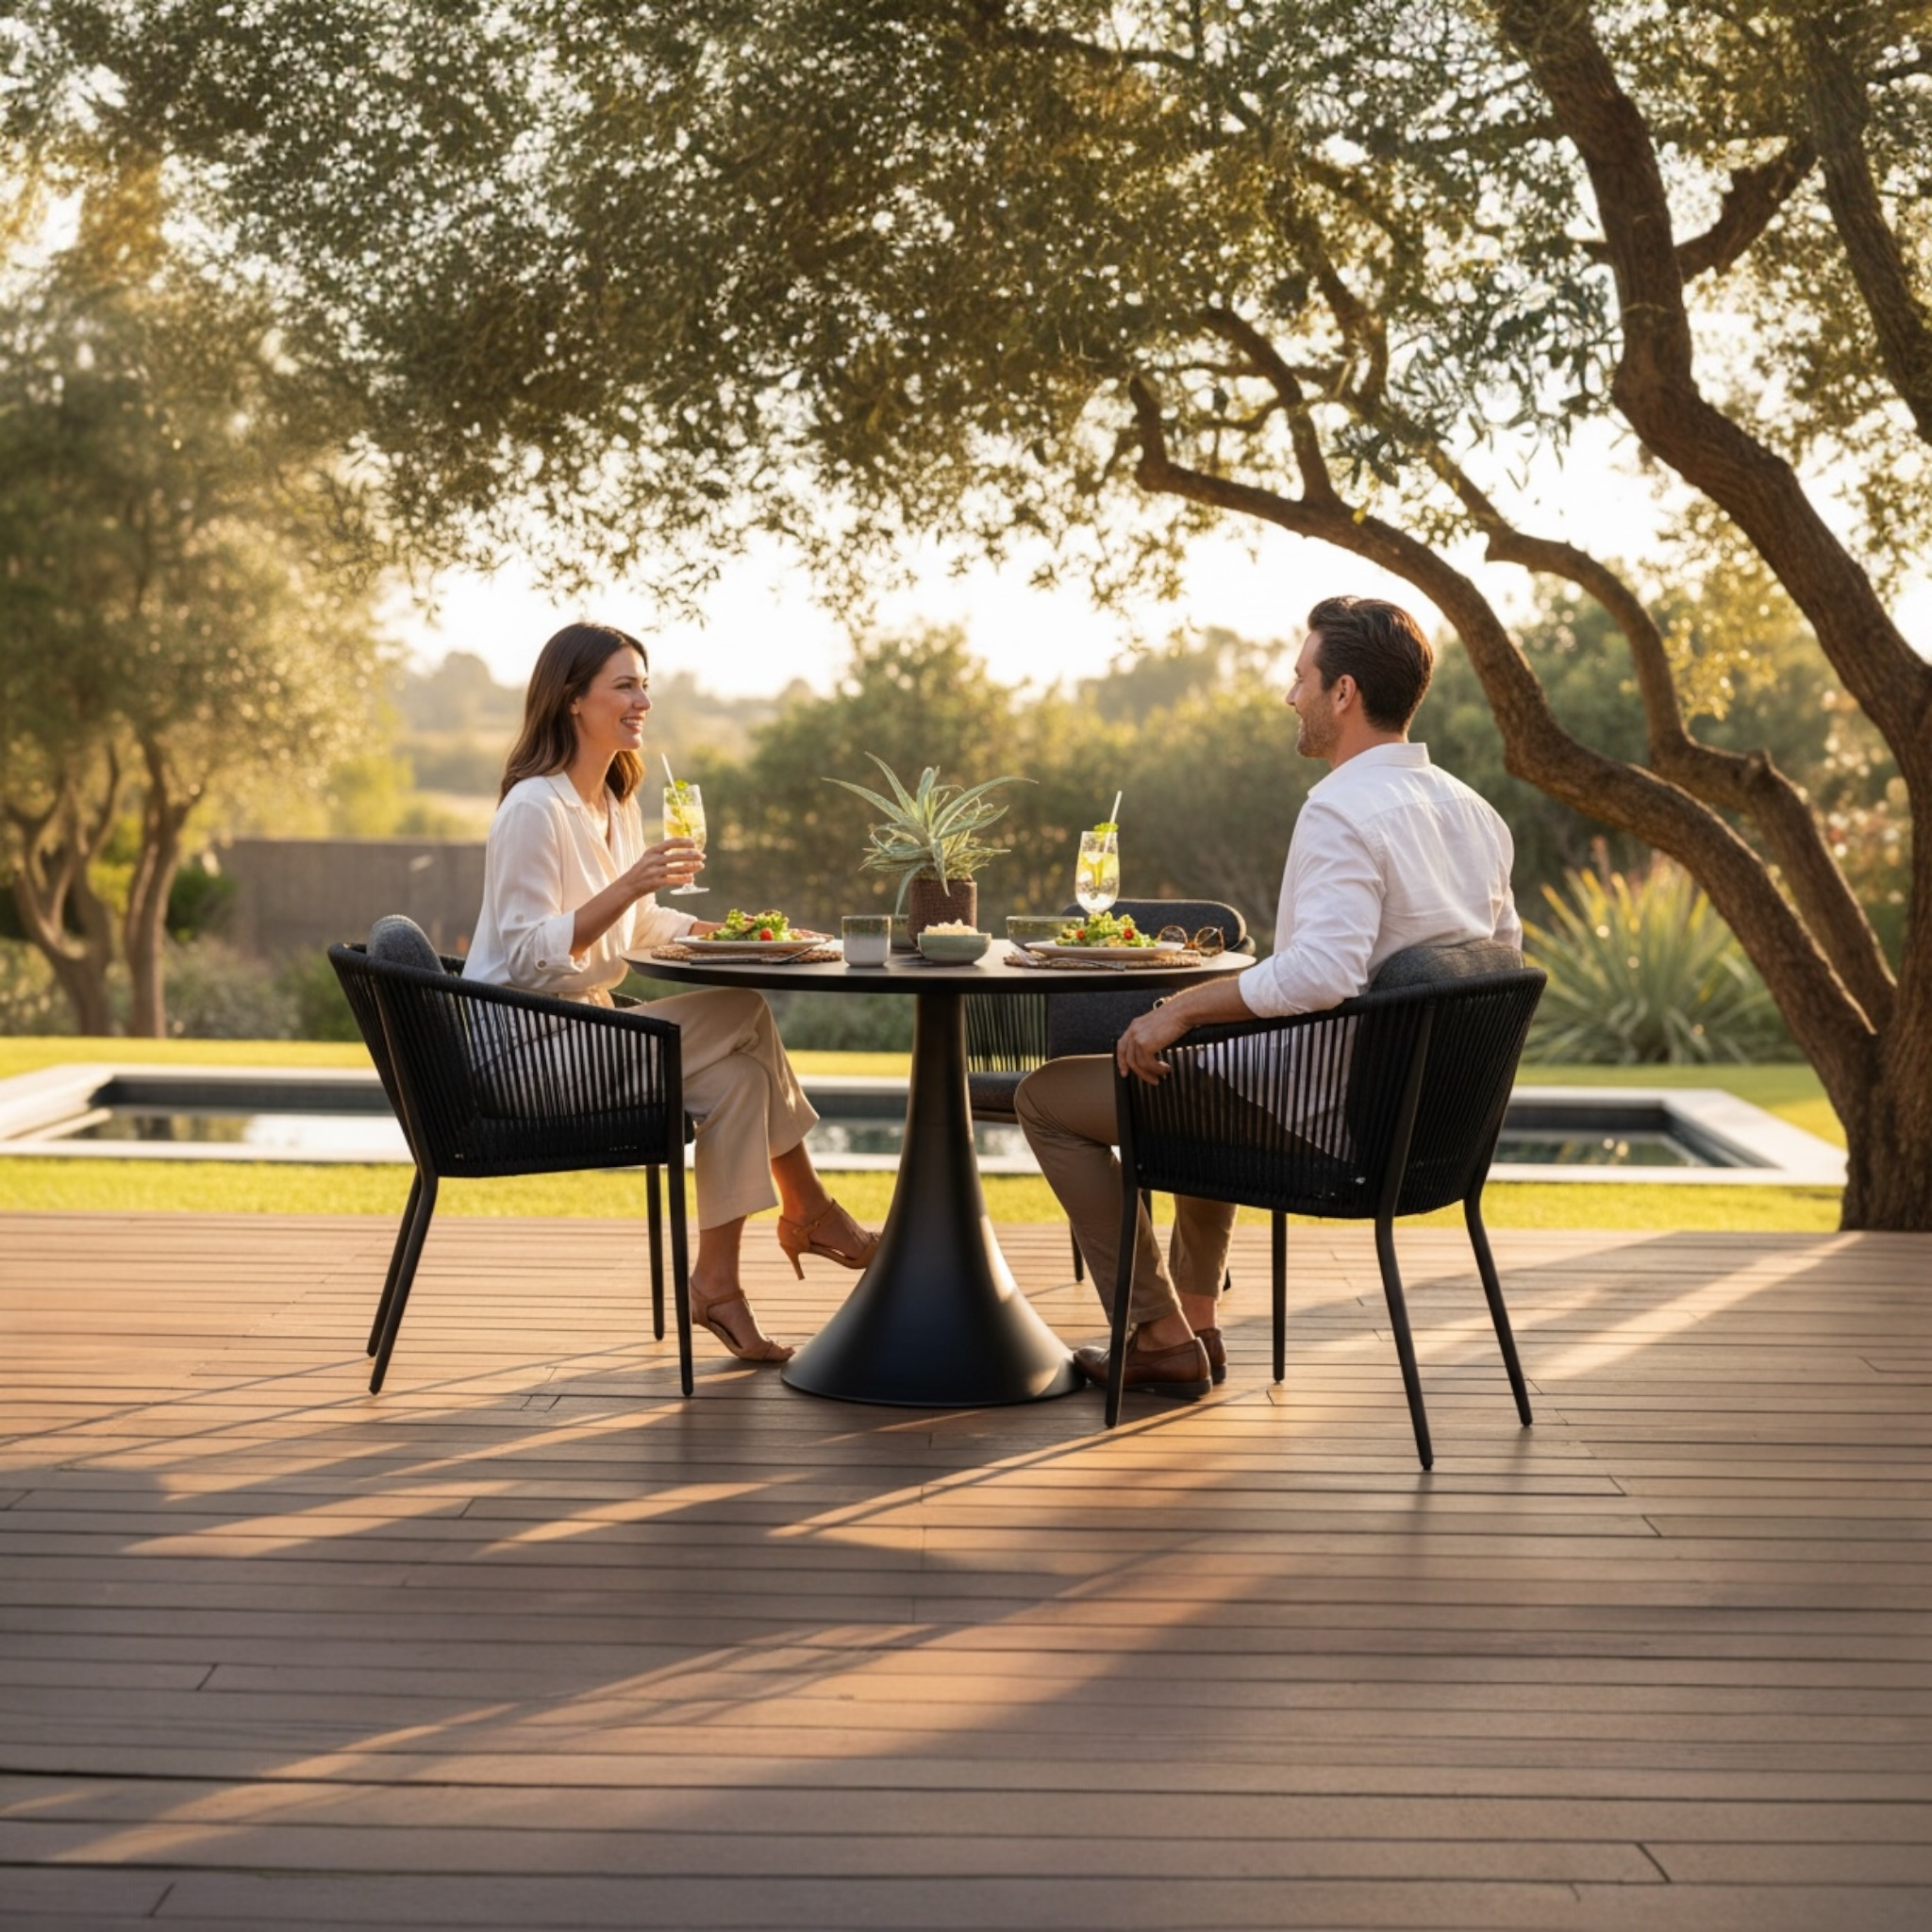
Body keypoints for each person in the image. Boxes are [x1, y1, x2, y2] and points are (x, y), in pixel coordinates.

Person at [1016, 595, 1522, 1400]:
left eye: (1301, 678)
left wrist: (1178, 1008)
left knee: (1045, 1097)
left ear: (1343, 693)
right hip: (1421, 1136)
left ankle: (1154, 1334)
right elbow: (1499, 962)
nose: (1292, 696)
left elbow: (1321, 972)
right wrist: (1201, 1016)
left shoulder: (1341, 809)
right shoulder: (1478, 814)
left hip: (1326, 1125)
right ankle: (1196, 1322)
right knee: (1199, 1070)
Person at [466, 621, 878, 1364]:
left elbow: (645, 922)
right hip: (526, 1051)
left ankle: (716, 1286)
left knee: (738, 1080)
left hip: (583, 1037)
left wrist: (745, 932)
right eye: (624, 685)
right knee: (745, 1010)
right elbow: (529, 957)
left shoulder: (613, 805)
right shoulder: (533, 808)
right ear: (571, 700)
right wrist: (631, 882)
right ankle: (812, 1213)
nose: (642, 700)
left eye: (643, 684)